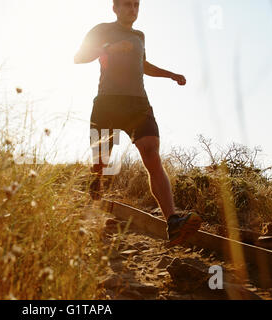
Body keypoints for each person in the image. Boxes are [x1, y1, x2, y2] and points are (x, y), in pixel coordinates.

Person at [73, 0, 202, 247]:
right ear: (115, 8)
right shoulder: (102, 29)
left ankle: (173, 222)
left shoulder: (139, 35)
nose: (132, 10)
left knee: (152, 152)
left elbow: (142, 65)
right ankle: (90, 216)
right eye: (127, 5)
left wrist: (170, 75)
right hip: (107, 105)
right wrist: (108, 47)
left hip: (138, 105)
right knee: (101, 165)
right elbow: (79, 57)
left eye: (136, 5)